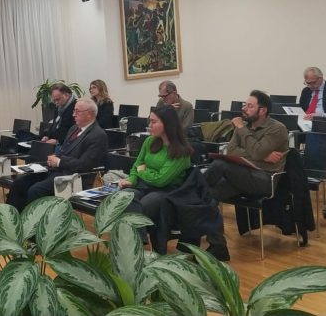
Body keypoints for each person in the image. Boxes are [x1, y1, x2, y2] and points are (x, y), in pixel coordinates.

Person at [204, 90, 288, 260]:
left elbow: (256, 152)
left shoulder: (277, 129)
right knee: (208, 197)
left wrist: (243, 132)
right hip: (241, 175)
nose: (244, 109)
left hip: (265, 179)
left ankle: (192, 190)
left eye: (250, 106)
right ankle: (219, 247)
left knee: (219, 164)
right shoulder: (245, 126)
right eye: (245, 105)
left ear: (262, 110)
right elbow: (231, 150)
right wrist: (262, 155)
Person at [7, 98, 107, 211]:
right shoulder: (74, 128)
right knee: (19, 183)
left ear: (89, 114)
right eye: (74, 111)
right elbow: (64, 150)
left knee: (35, 190)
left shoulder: (98, 135)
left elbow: (84, 164)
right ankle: (14, 219)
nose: (73, 115)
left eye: (77, 111)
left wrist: (59, 161)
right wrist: (54, 157)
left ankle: (35, 221)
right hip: (56, 170)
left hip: (73, 177)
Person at [118, 105, 192, 234]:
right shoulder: (149, 141)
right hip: (143, 186)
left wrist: (142, 171)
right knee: (122, 198)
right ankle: (136, 241)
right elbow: (137, 165)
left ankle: (135, 242)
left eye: (153, 122)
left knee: (141, 207)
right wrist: (131, 180)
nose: (149, 126)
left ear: (167, 124)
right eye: (149, 121)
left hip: (167, 192)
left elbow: (160, 180)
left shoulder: (180, 151)